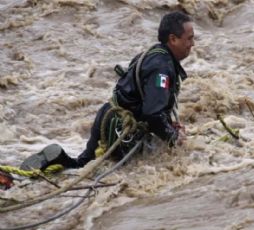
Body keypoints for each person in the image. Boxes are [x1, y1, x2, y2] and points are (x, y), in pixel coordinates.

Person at [20, 11, 195, 170]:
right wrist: (174, 137)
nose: (192, 44)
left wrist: (168, 126)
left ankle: (54, 161)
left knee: (84, 166)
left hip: (108, 115)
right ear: (173, 39)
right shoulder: (161, 68)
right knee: (128, 171)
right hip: (121, 130)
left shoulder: (152, 54)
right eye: (189, 38)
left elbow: (144, 100)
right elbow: (152, 114)